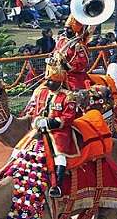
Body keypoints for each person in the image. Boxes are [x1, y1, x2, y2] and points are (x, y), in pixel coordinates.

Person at [26, 60, 78, 199]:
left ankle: (57, 186)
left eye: (51, 81)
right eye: (47, 80)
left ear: (59, 81)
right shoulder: (42, 93)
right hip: (40, 128)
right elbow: (36, 111)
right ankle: (4, 172)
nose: (48, 83)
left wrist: (49, 122)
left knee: (60, 154)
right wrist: (36, 121)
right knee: (23, 145)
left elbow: (68, 118)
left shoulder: (68, 96)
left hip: (59, 131)